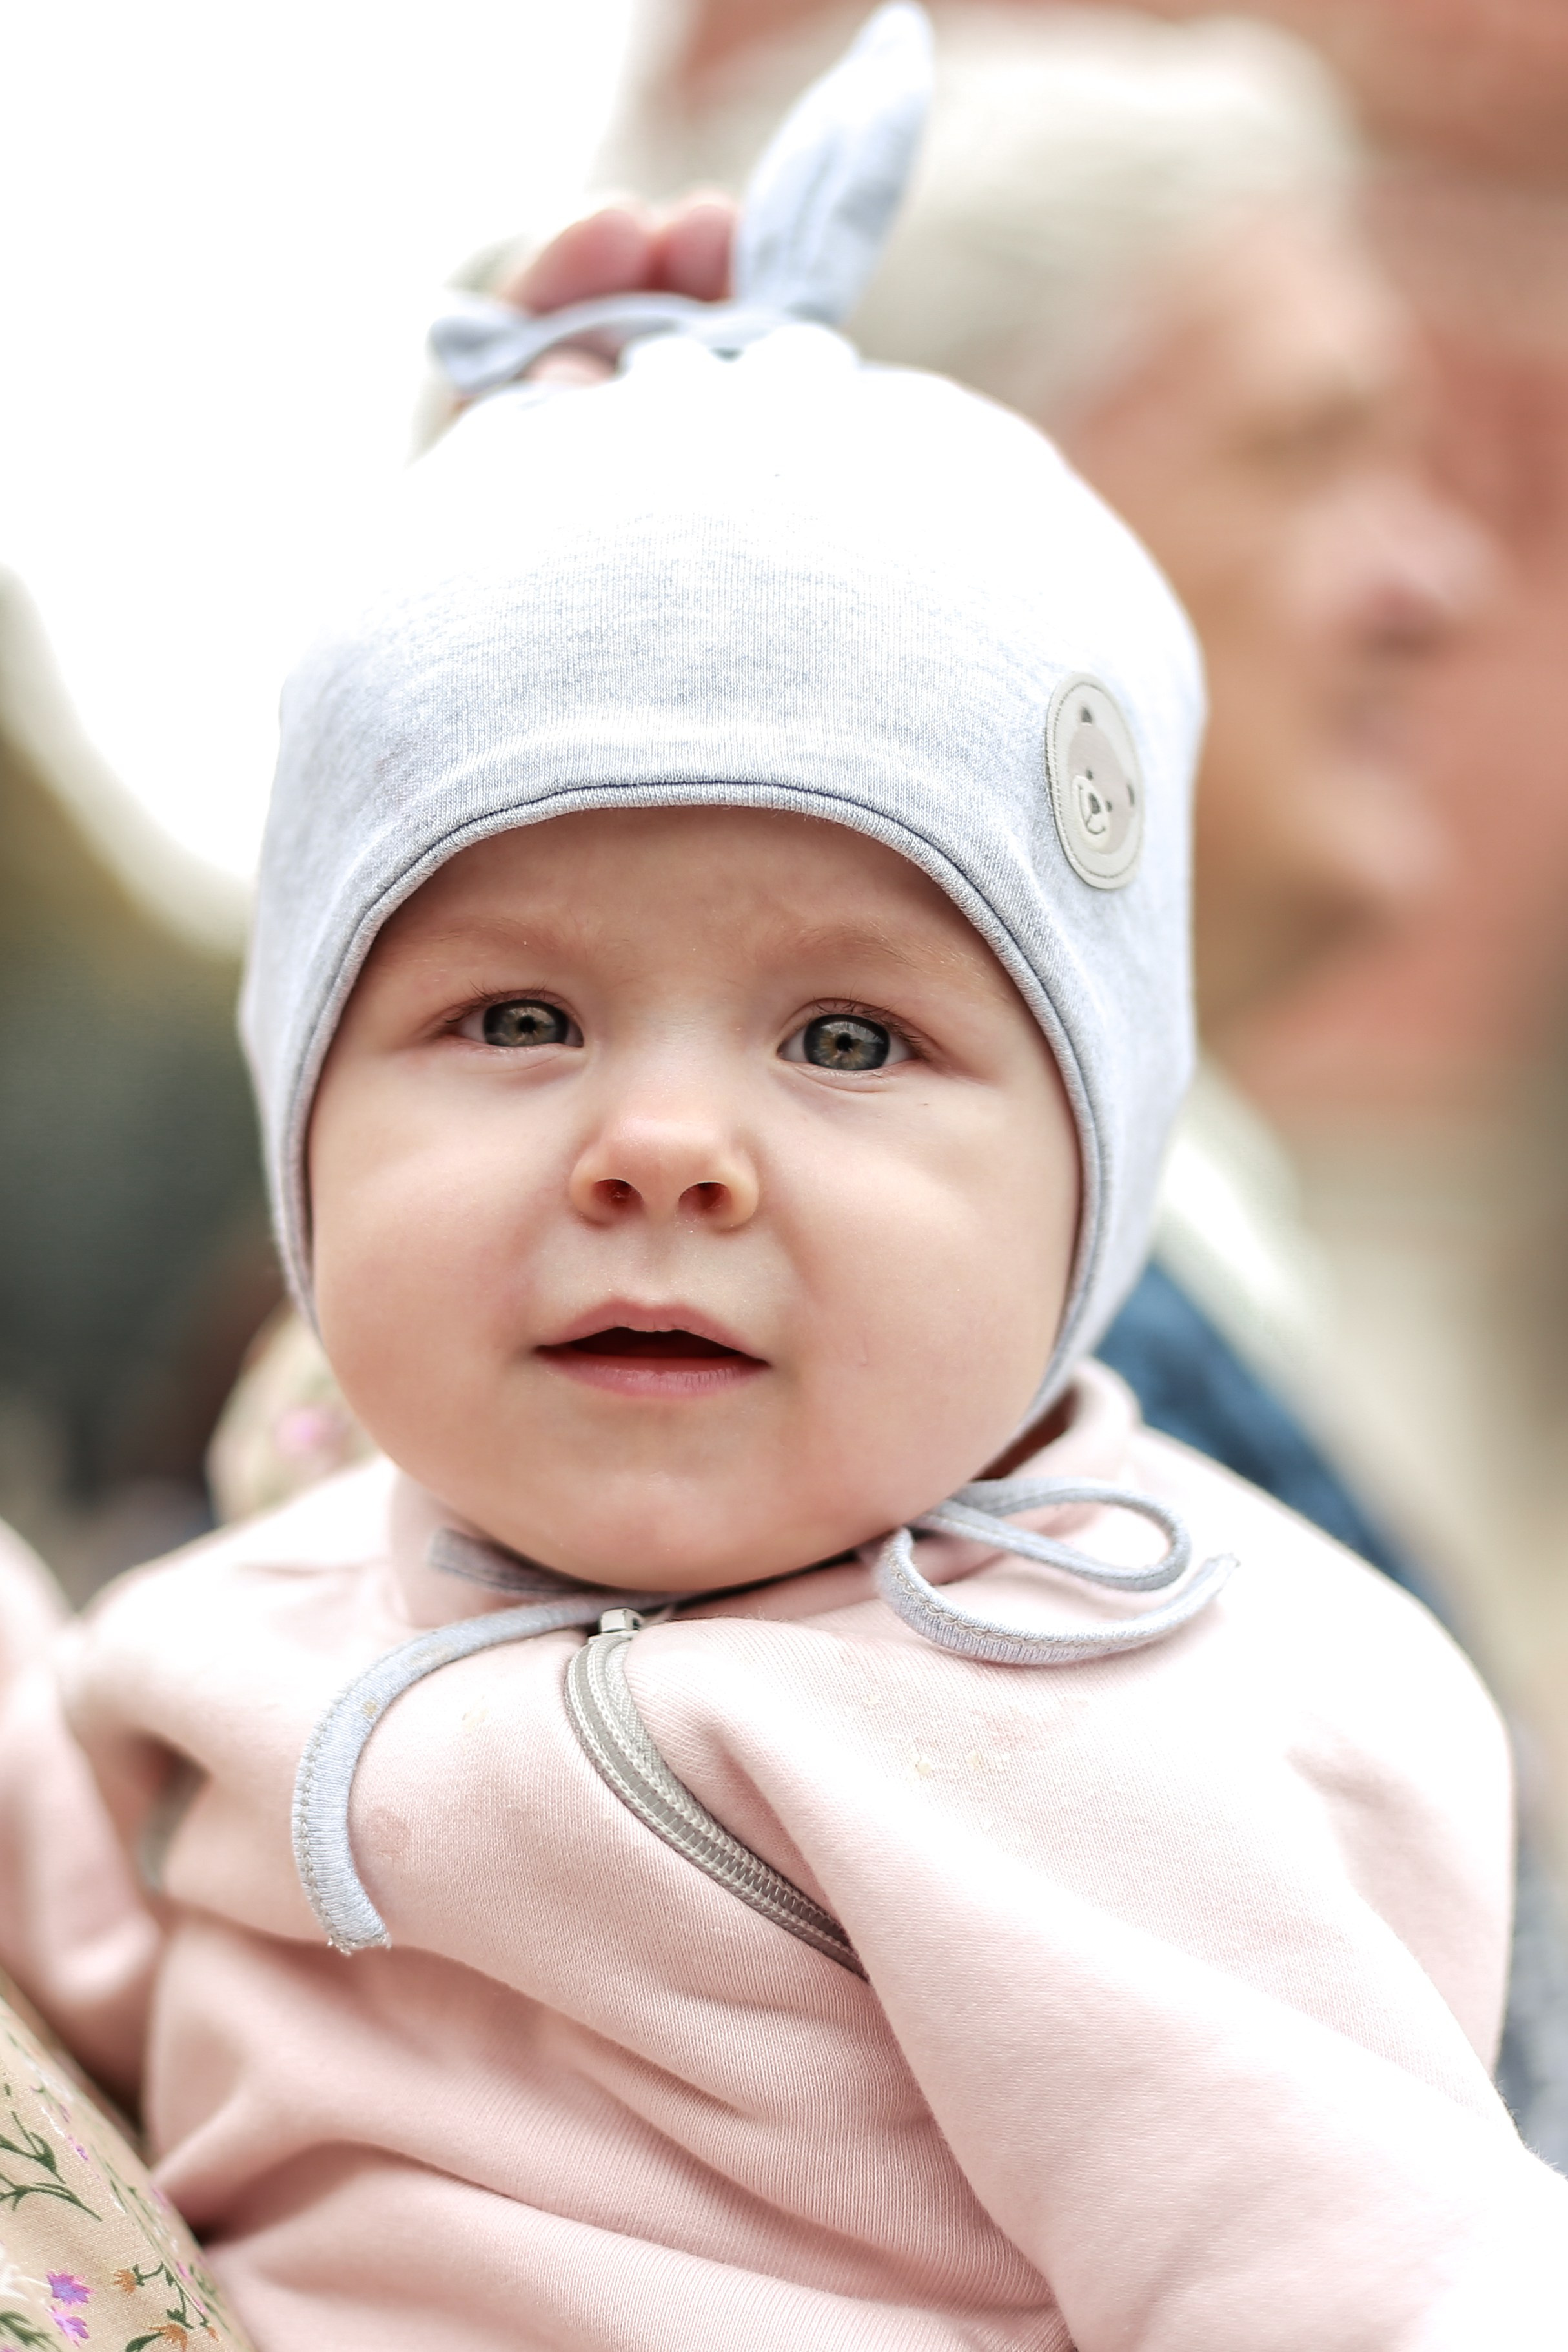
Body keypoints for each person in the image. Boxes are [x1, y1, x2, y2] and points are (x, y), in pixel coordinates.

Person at [0, 14, 1556, 2341]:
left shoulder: (1089, 1723)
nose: (660, 1150)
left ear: (1087, 1202)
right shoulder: (277, 1598)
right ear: (303, 1117)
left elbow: (1381, 2273)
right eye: (512, 1020)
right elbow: (107, 1957)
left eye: (850, 1038)